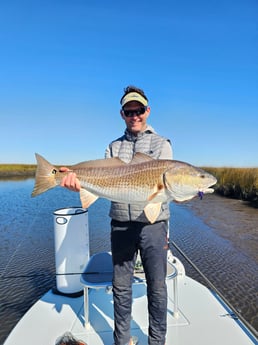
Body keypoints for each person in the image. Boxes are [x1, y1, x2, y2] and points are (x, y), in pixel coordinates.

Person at [61, 86, 173, 345]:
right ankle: (121, 341)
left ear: (148, 111)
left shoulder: (162, 145)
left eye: (139, 110)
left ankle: (157, 341)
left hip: (153, 226)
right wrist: (77, 181)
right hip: (121, 224)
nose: (134, 116)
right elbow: (102, 180)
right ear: (122, 114)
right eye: (128, 111)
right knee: (121, 287)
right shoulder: (113, 147)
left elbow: (165, 189)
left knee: (157, 287)